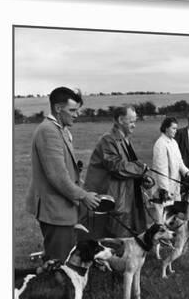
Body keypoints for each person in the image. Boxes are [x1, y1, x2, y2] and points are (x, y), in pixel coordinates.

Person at [25, 87, 100, 261]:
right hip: (54, 207)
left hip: (61, 204)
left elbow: (65, 169)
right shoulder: (49, 131)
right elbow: (57, 176)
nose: (77, 114)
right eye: (72, 110)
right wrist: (83, 196)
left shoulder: (60, 129)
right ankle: (54, 285)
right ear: (58, 109)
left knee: (65, 253)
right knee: (59, 259)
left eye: (77, 110)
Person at [83, 105, 148, 238]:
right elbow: (117, 167)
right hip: (114, 199)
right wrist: (141, 168)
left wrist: (143, 177)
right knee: (114, 240)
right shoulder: (108, 140)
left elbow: (130, 166)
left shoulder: (125, 140)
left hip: (126, 197)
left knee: (126, 237)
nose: (134, 125)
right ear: (120, 120)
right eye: (131, 121)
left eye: (135, 121)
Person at [152, 117, 189, 202]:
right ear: (166, 128)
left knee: (176, 213)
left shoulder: (174, 142)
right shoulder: (160, 144)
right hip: (164, 189)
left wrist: (186, 172)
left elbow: (179, 161)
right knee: (164, 213)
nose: (176, 131)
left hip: (174, 185)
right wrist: (165, 190)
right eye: (173, 128)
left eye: (176, 128)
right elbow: (161, 170)